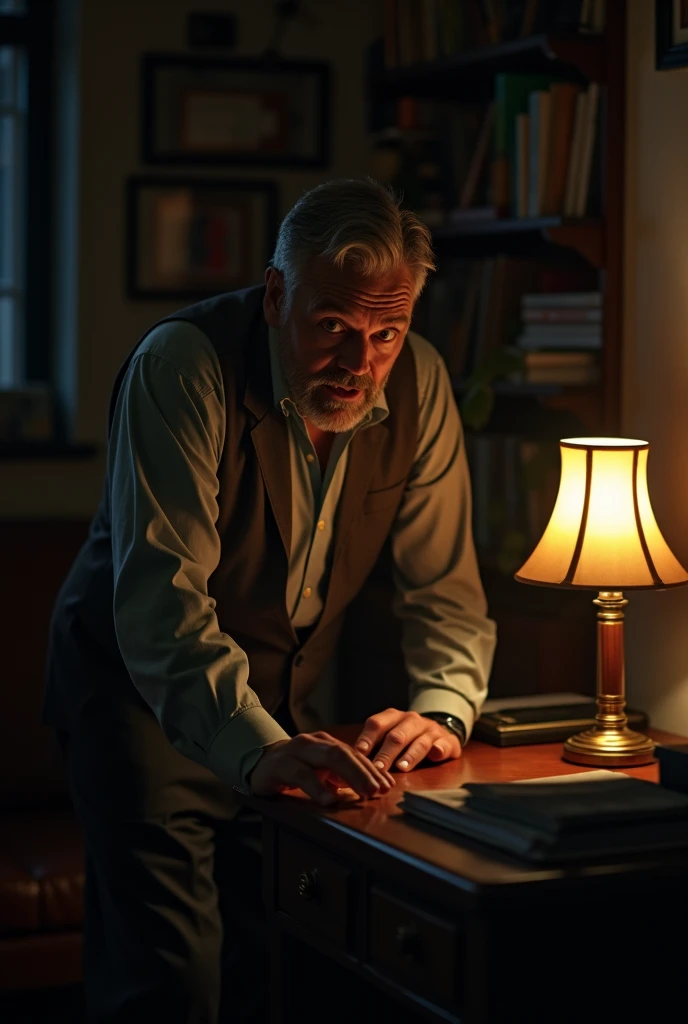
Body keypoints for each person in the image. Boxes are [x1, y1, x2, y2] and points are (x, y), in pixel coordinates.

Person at [43, 178, 496, 1023]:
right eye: (333, 326)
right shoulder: (183, 365)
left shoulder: (422, 383)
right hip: (138, 701)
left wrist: (444, 708)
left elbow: (445, 589)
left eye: (385, 333)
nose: (360, 364)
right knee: (171, 984)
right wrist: (255, 748)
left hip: (289, 709)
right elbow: (162, 604)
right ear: (278, 294)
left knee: (284, 969)